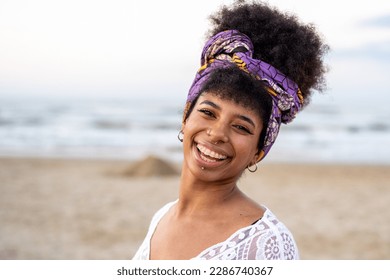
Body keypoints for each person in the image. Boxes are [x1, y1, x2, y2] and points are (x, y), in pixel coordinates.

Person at [133, 0, 328, 260]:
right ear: (185, 117)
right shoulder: (162, 216)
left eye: (241, 127)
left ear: (258, 152)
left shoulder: (266, 243)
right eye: (208, 112)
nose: (216, 133)